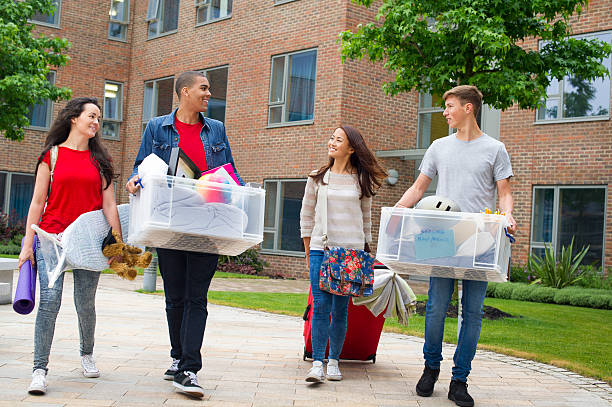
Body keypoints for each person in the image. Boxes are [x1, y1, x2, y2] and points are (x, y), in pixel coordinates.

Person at [395, 85, 517, 407]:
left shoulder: (495, 149)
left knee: (472, 313)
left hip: (480, 238)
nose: (445, 112)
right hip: (444, 236)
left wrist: (507, 216)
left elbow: (504, 192)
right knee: (435, 308)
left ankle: (460, 380)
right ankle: (430, 368)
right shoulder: (438, 146)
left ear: (469, 108)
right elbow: (419, 187)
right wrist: (397, 214)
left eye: (449, 106)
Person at [126, 71, 243, 398]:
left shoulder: (215, 129)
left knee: (196, 297)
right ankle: (178, 357)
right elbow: (142, 165)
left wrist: (240, 195)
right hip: (170, 223)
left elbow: (228, 170)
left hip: (206, 223)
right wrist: (134, 180)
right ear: (185, 91)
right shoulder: (157, 127)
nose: (209, 94)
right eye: (204, 88)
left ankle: (190, 367)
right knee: (174, 297)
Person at [18, 97, 123, 395]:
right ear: (74, 118)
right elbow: (37, 203)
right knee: (49, 303)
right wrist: (28, 245)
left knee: (85, 303)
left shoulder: (100, 160)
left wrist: (117, 245)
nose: (96, 122)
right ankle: (39, 369)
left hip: (88, 243)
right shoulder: (50, 156)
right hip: (51, 239)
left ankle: (86, 355)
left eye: (99, 118)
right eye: (91, 116)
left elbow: (110, 204)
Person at [300, 125, 386, 383]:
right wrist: (307, 252)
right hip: (321, 249)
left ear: (351, 148)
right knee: (320, 307)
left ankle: (334, 361)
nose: (332, 143)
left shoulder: (361, 179)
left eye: (339, 140)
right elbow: (306, 216)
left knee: (340, 310)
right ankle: (317, 363)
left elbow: (366, 218)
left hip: (351, 253)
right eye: (331, 138)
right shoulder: (317, 178)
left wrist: (368, 253)